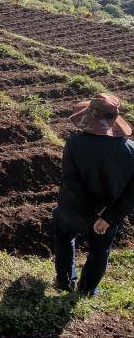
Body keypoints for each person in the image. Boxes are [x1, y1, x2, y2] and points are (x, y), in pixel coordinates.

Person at [53, 93, 134, 297]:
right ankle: (87, 291)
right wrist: (107, 217)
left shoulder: (75, 143)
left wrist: (96, 212)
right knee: (100, 250)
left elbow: (70, 181)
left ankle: (64, 282)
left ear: (90, 117)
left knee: (64, 236)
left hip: (73, 209)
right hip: (108, 216)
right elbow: (132, 193)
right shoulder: (131, 150)